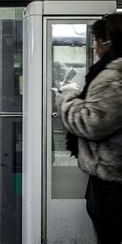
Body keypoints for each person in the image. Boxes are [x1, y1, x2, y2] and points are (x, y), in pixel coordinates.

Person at [55, 13, 122, 244]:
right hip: (109, 175)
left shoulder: (114, 78)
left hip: (112, 178)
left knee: (109, 232)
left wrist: (66, 99)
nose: (94, 47)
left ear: (109, 41)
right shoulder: (108, 73)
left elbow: (90, 123)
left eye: (97, 40)